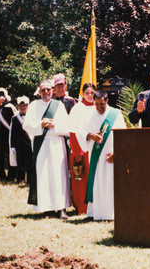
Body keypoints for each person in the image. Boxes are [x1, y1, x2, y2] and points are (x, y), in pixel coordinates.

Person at [23, 80, 72, 219]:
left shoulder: (59, 105)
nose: (46, 92)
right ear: (39, 92)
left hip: (56, 143)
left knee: (59, 175)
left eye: (48, 90)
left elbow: (67, 125)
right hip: (41, 144)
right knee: (44, 175)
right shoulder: (33, 105)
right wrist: (41, 124)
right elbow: (26, 125)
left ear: (53, 90)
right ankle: (47, 207)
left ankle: (62, 208)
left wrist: (54, 124)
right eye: (43, 90)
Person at [75, 90, 126, 220]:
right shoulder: (89, 114)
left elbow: (124, 136)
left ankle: (111, 214)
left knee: (110, 184)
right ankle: (93, 213)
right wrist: (90, 135)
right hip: (95, 158)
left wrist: (117, 152)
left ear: (107, 101)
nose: (98, 107)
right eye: (96, 104)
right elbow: (80, 131)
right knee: (96, 184)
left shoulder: (116, 114)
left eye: (101, 104)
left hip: (111, 157)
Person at [69, 83, 97, 214]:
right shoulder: (77, 109)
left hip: (95, 147)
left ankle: (95, 205)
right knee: (81, 177)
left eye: (92, 93)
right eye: (87, 93)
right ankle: (82, 207)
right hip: (81, 147)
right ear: (83, 94)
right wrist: (77, 151)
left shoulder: (100, 106)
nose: (90, 96)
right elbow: (73, 130)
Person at [0, 87, 17, 182]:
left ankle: (12, 176)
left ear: (2, 97)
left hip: (9, 135)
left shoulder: (10, 107)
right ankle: (0, 175)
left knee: (11, 155)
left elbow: (15, 122)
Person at [10, 96, 33, 184]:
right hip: (19, 144)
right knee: (20, 163)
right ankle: (20, 179)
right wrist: (12, 146)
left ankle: (30, 180)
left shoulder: (32, 117)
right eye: (20, 105)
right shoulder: (14, 118)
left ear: (28, 106)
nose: (22, 107)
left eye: (25, 105)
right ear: (18, 106)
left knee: (30, 163)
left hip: (29, 143)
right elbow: (12, 133)